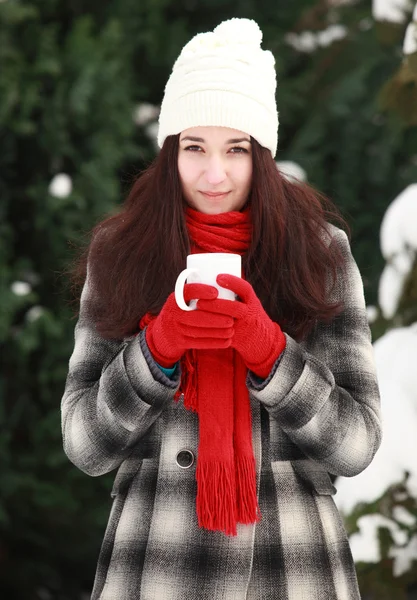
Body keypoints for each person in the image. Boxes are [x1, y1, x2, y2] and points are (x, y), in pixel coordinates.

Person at [61, 17, 382, 600]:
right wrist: (155, 352)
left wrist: (271, 353)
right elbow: (85, 445)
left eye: (236, 149)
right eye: (194, 148)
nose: (215, 173)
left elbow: (356, 445)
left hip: (294, 567)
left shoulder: (320, 252)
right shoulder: (122, 254)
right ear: (169, 153)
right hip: (154, 565)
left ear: (262, 153)